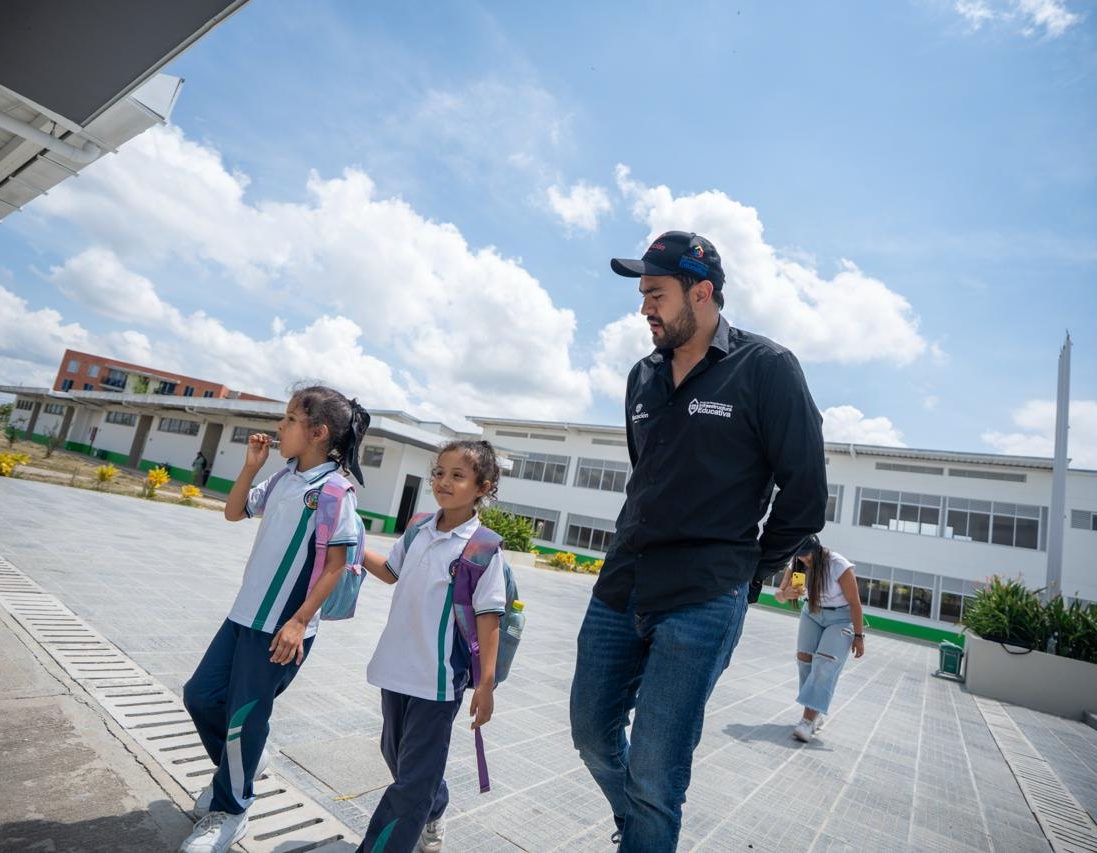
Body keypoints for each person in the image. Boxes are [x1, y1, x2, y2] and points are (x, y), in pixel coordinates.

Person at [570, 230, 828, 851]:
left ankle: (646, 828)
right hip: (622, 583)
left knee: (657, 772)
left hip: (703, 597)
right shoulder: (642, 376)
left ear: (702, 293)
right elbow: (646, 476)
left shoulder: (766, 369)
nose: (644, 308)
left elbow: (806, 493)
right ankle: (640, 827)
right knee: (591, 734)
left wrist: (750, 571)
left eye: (655, 294)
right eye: (642, 294)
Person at [178, 385, 370, 853]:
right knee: (200, 696)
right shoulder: (285, 477)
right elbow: (234, 512)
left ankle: (232, 810)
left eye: (289, 420)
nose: (279, 428)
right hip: (243, 615)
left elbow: (336, 566)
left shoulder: (334, 492)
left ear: (318, 432)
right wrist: (250, 467)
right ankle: (245, 765)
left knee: (244, 717)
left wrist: (299, 622)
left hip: (282, 627)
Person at [356, 440, 507, 853]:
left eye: (458, 476)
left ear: (483, 488)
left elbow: (489, 618)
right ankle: (435, 806)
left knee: (411, 784)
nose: (443, 481)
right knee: (397, 757)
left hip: (438, 679)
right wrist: (353, 542)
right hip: (394, 667)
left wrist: (486, 684)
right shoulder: (419, 527)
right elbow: (391, 571)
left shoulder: (483, 548)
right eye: (439, 472)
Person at [774, 534, 865, 742]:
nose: (805, 559)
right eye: (801, 555)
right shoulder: (797, 563)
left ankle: (807, 721)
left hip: (840, 618)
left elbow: (855, 603)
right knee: (804, 660)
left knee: (825, 663)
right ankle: (814, 713)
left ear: (818, 550)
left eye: (808, 555)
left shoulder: (838, 565)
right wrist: (786, 594)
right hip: (812, 613)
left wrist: (859, 636)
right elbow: (778, 595)